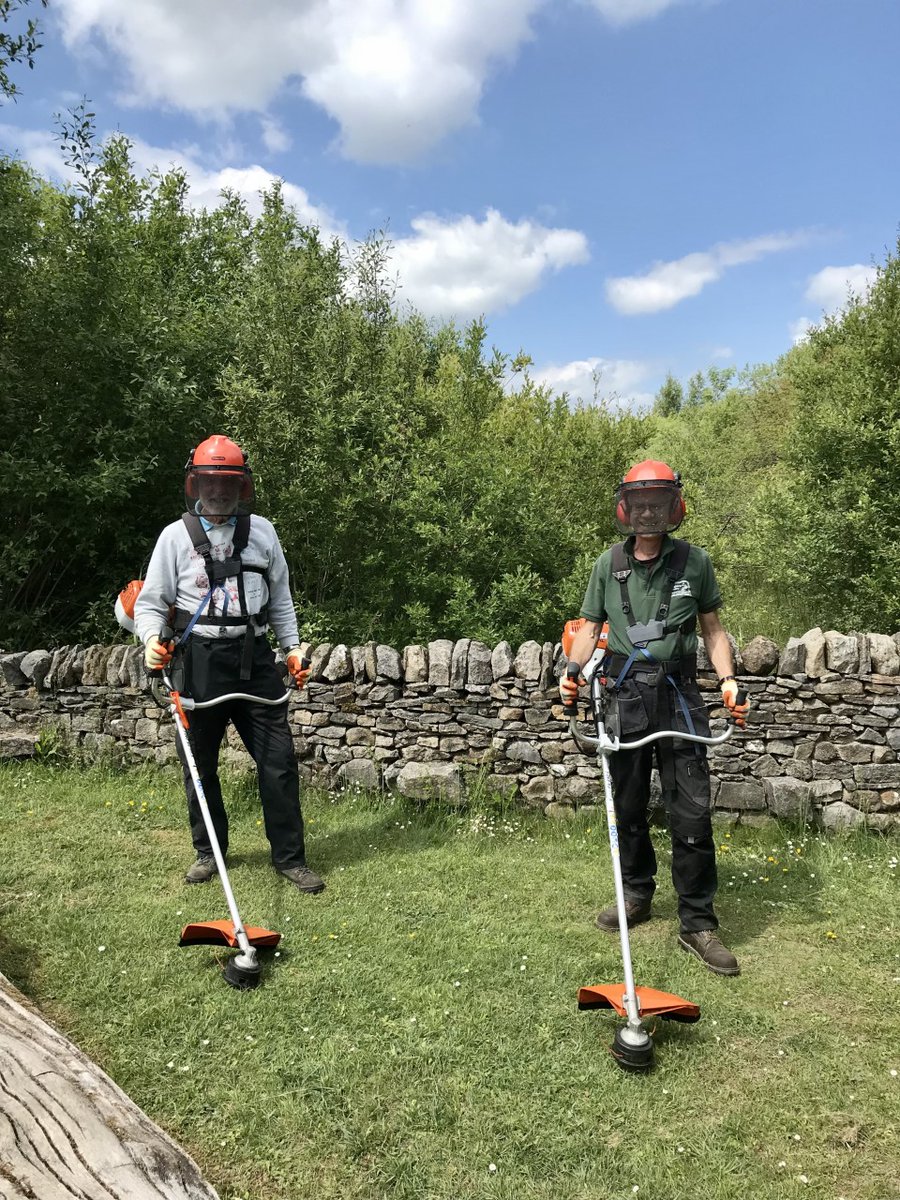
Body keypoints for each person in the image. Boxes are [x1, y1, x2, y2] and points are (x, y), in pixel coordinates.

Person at [560, 460, 748, 975]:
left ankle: (697, 922)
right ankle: (636, 895)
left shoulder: (695, 562)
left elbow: (713, 630)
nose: (647, 512)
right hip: (623, 696)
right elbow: (588, 625)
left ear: (673, 507)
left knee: (692, 812)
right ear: (625, 507)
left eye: (657, 503)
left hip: (682, 696)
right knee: (628, 805)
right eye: (639, 503)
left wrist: (728, 680)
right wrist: (573, 667)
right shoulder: (608, 563)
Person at [133, 434, 325, 894]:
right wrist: (150, 641)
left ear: (242, 487)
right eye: (208, 481)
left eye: (228, 482)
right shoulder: (174, 537)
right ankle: (208, 851)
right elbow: (151, 603)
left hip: (255, 657)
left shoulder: (264, 533)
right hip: (197, 659)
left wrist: (293, 648)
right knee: (199, 766)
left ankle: (290, 858)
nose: (218, 491)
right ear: (194, 484)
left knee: (278, 763)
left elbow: (280, 600)